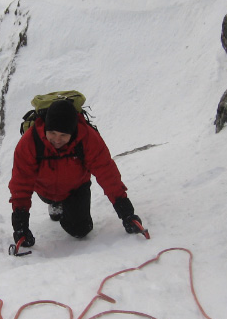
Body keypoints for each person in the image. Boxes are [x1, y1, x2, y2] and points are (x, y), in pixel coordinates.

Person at [8, 98, 144, 248]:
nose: (57, 140)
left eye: (63, 135)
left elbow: (107, 173)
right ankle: (55, 204)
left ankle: (64, 206)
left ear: (72, 133)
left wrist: (126, 213)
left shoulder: (88, 139)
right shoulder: (30, 142)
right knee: (50, 199)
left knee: (81, 230)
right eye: (52, 133)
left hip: (76, 188)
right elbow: (21, 183)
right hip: (44, 189)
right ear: (45, 126)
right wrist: (21, 227)